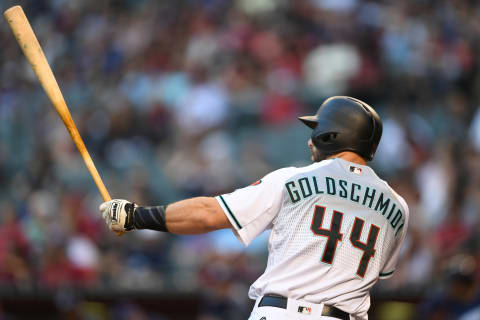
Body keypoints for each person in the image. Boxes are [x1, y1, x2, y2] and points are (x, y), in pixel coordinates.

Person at [100, 96, 409, 320]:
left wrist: (134, 217)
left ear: (331, 134)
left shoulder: (295, 179)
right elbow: (377, 274)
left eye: (316, 132)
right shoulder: (398, 208)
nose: (309, 141)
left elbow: (209, 213)